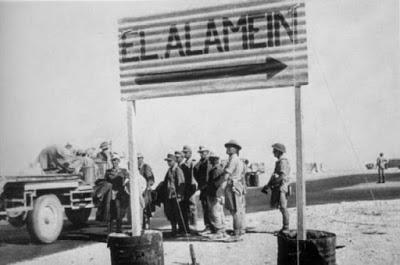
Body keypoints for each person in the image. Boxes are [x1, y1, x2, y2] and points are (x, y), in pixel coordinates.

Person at [263, 143, 290, 233]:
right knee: (282, 207)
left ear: (279, 152)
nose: (273, 152)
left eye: (274, 150)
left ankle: (286, 228)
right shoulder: (279, 161)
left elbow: (282, 176)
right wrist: (268, 185)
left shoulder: (283, 161)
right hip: (278, 187)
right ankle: (285, 227)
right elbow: (274, 176)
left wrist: (273, 183)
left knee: (283, 207)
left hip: (282, 187)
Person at [222, 140, 246, 238]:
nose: (227, 149)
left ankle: (237, 233)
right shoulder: (237, 159)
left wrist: (221, 188)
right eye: (227, 147)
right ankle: (240, 230)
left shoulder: (233, 160)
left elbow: (226, 175)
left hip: (233, 185)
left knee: (235, 210)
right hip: (237, 185)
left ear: (235, 149)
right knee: (238, 210)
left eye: (230, 147)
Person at [104, 154, 130, 233]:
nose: (114, 162)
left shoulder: (124, 171)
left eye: (116, 160)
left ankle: (119, 229)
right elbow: (106, 183)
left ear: (119, 161)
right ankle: (110, 230)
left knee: (120, 212)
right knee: (111, 212)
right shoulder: (108, 172)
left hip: (121, 194)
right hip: (111, 194)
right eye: (113, 160)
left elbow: (128, 180)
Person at [163, 153, 185, 236]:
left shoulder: (178, 170)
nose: (168, 163)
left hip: (176, 196)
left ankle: (181, 230)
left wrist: (179, 195)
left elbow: (181, 183)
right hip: (170, 196)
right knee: (171, 213)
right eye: (167, 161)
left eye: (170, 161)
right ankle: (174, 230)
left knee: (178, 213)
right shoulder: (169, 170)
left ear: (174, 161)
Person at [206, 152, 226, 238]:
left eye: (211, 159)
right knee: (219, 212)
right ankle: (222, 230)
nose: (209, 160)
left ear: (214, 160)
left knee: (215, 213)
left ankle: (219, 232)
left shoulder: (216, 170)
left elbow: (216, 183)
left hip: (214, 194)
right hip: (217, 194)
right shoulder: (219, 169)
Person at [193, 146, 212, 233]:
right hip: (203, 188)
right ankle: (208, 226)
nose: (201, 154)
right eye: (200, 153)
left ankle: (210, 227)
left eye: (203, 152)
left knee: (208, 207)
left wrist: (203, 185)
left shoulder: (208, 162)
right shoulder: (201, 162)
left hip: (207, 188)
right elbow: (195, 170)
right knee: (205, 207)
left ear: (207, 152)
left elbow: (207, 176)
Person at [137, 153, 155, 229]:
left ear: (142, 158)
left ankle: (147, 224)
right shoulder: (136, 168)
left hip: (145, 191)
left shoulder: (146, 167)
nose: (137, 160)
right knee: (139, 208)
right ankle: (140, 225)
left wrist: (147, 187)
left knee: (146, 208)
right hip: (138, 191)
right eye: (136, 158)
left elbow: (151, 179)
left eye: (139, 158)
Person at [181, 145, 197, 228]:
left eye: (186, 152)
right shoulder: (184, 164)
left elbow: (193, 177)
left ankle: (193, 225)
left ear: (190, 153)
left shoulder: (192, 162)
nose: (184, 154)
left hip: (191, 187)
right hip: (186, 188)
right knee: (187, 206)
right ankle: (189, 225)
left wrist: (193, 187)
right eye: (183, 152)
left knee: (192, 207)